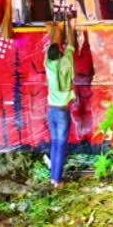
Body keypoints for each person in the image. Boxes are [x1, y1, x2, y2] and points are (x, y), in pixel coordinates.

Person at [44, 18, 76, 188]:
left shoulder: (48, 63)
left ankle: (53, 177)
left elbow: (52, 46)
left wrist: (55, 33)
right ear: (61, 52)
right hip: (62, 112)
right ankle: (57, 180)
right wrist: (70, 27)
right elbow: (71, 45)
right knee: (60, 145)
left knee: (55, 143)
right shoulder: (66, 61)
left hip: (51, 111)